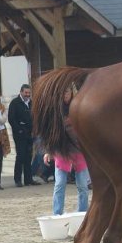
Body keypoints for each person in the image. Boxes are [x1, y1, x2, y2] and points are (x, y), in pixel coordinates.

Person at [43, 87, 90, 215]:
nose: (65, 95)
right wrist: (48, 151)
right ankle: (57, 213)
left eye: (67, 91)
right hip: (61, 150)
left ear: (71, 92)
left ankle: (82, 212)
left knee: (83, 186)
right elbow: (51, 133)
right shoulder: (56, 111)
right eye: (63, 92)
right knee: (59, 184)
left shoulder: (78, 107)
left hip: (78, 150)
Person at [8, 84, 40, 187]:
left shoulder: (31, 103)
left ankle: (28, 179)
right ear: (21, 92)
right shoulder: (15, 103)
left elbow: (35, 117)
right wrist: (19, 130)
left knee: (29, 156)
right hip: (20, 134)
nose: (27, 95)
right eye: (26, 93)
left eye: (29, 93)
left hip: (30, 133)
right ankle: (17, 179)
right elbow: (11, 119)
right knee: (20, 156)